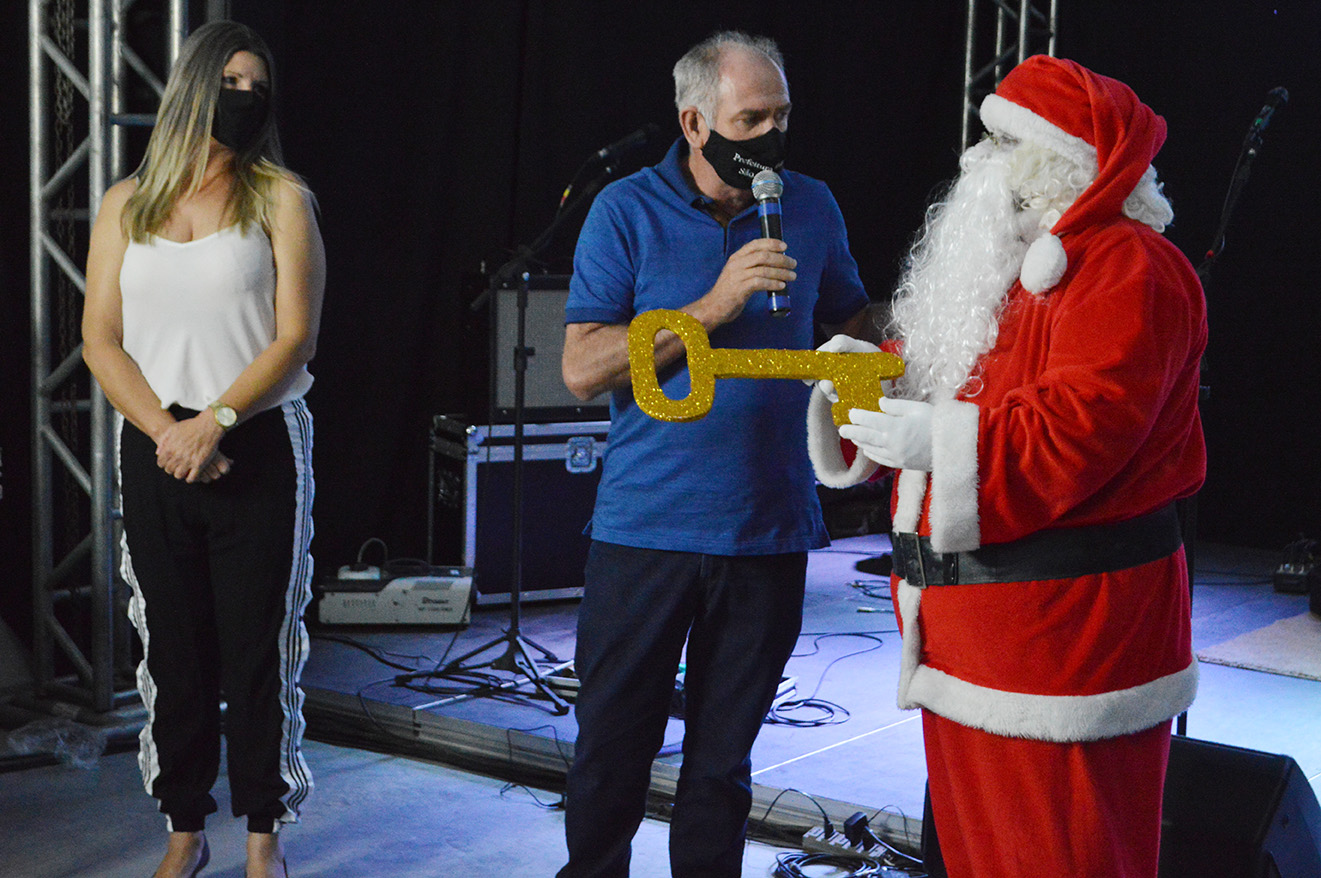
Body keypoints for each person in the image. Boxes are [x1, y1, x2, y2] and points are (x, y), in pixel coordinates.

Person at [809, 55, 1205, 878]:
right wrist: (870, 384)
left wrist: (936, 441)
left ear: (1056, 163)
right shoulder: (1001, 271)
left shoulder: (1128, 267)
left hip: (1065, 651)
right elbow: (947, 374)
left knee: (1062, 854)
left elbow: (1082, 429)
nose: (974, 159)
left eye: (999, 143)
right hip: (973, 643)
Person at [558, 30, 881, 878]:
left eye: (781, 117)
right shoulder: (624, 210)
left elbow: (852, 325)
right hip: (648, 530)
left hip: (768, 529)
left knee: (722, 765)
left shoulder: (812, 206)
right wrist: (711, 305)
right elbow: (582, 369)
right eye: (750, 120)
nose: (771, 136)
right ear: (695, 123)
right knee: (610, 752)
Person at [82, 20, 324, 878]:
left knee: (259, 651)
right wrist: (170, 432)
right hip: (158, 449)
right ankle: (184, 831)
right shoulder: (125, 204)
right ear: (193, 88)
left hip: (255, 445)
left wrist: (214, 422)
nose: (245, 99)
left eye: (258, 87)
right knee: (173, 653)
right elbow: (100, 339)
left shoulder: (281, 199)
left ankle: (264, 839)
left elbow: (295, 337)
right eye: (231, 83)